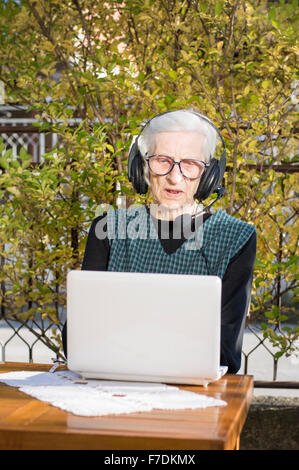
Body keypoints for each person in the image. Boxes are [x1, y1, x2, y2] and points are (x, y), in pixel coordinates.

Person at [62, 109, 256, 373]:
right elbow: (77, 340)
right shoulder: (108, 230)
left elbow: (225, 356)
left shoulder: (236, 238)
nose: (174, 177)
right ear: (142, 166)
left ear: (208, 176)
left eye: (190, 164)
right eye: (162, 160)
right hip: (114, 382)